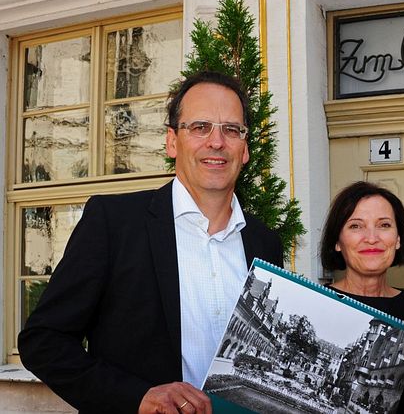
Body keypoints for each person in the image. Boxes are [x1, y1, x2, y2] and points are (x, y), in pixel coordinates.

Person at [18, 71, 284, 414]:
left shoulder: (265, 243)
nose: (217, 142)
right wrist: (136, 397)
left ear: (245, 149)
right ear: (172, 141)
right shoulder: (114, 222)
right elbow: (43, 341)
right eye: (200, 127)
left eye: (231, 130)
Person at [320, 181, 404, 413]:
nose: (371, 238)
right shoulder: (317, 302)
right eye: (356, 226)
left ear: (398, 239)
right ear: (337, 242)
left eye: (384, 225)